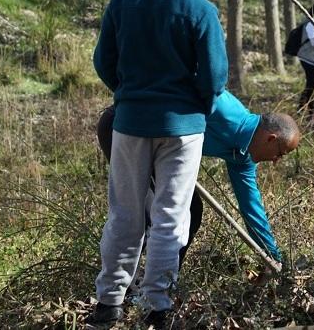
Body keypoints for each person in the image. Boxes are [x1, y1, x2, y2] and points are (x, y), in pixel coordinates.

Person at [89, 0, 228, 328]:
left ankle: (108, 303)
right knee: (170, 215)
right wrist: (195, 104)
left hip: (130, 122)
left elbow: (103, 62)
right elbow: (216, 77)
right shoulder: (201, 9)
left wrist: (129, 94)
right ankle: (158, 306)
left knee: (125, 214)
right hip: (182, 128)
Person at [96, 90, 301, 271]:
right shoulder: (222, 107)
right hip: (125, 127)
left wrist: (273, 257)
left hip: (158, 149)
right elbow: (175, 87)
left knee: (190, 210)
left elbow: (251, 209)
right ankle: (126, 286)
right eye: (280, 153)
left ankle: (164, 279)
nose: (276, 161)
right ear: (270, 139)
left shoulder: (243, 156)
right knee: (145, 213)